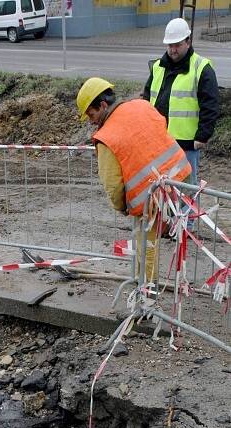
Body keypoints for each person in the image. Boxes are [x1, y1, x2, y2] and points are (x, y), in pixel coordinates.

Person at [76, 78, 191, 283]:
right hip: (180, 178)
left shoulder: (106, 136)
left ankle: (147, 296)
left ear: (102, 105)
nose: (91, 121)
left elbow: (113, 184)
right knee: (153, 242)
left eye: (91, 114)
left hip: (151, 198)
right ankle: (146, 287)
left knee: (146, 248)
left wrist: (120, 206)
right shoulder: (141, 105)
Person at [143, 17, 219, 186]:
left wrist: (203, 136)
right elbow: (146, 100)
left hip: (186, 144)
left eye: (177, 45)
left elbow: (211, 105)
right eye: (170, 46)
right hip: (159, 141)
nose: (173, 50)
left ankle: (185, 214)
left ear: (188, 41)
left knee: (185, 192)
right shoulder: (158, 67)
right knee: (161, 190)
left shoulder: (201, 68)